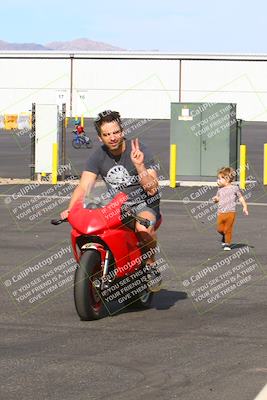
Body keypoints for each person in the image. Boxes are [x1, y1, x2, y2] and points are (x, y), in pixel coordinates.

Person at [61, 110, 161, 278]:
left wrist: (139, 166)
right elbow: (83, 187)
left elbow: (152, 188)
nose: (112, 137)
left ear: (122, 132)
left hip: (143, 202)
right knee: (94, 229)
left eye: (115, 132)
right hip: (115, 204)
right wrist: (71, 210)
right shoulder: (97, 156)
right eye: (107, 134)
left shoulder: (139, 149)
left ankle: (151, 264)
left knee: (142, 227)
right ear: (100, 138)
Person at [212, 166, 248, 251]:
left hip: (231, 212)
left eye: (220, 179)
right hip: (221, 212)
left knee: (228, 229)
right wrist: (215, 199)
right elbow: (217, 198)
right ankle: (224, 236)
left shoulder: (234, 188)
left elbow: (241, 198)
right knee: (220, 229)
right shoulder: (220, 189)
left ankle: (227, 244)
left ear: (227, 179)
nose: (218, 181)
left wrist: (245, 206)